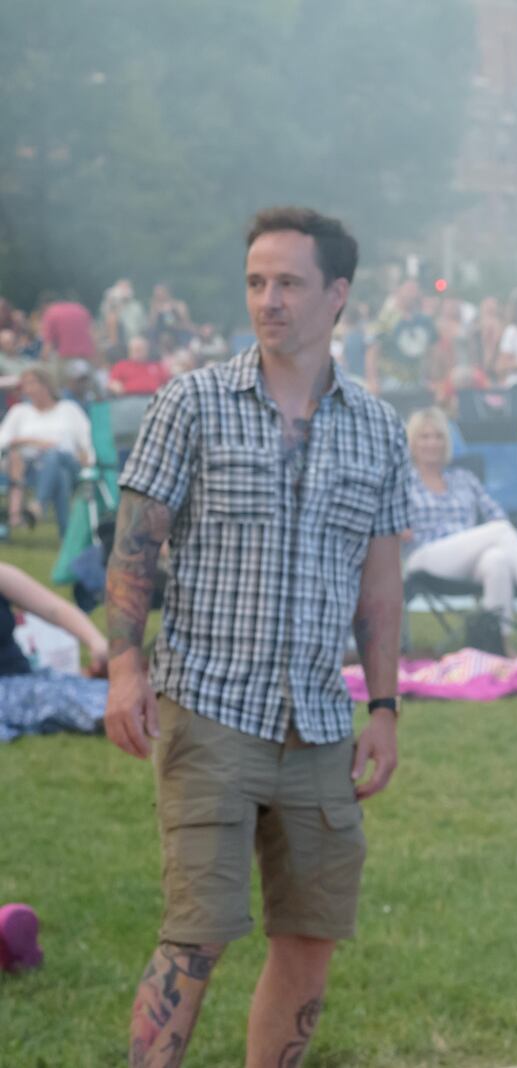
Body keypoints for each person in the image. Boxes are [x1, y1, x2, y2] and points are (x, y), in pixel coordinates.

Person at [103, 206, 410, 1067]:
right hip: (209, 709)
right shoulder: (191, 403)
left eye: (289, 283)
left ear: (337, 294)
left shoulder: (378, 427)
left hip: (318, 722)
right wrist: (125, 668)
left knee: (310, 939)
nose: (268, 300)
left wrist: (383, 706)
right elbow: (134, 546)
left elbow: (380, 585)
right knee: (197, 936)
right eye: (256, 282)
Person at [403, 406, 517, 642]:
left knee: (496, 559)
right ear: (412, 443)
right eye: (424, 437)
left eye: (438, 437)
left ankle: (499, 645)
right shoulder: (403, 481)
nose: (432, 443)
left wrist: (492, 538)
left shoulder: (463, 479)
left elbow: (496, 514)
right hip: (423, 556)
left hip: (465, 558)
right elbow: (394, 527)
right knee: (499, 532)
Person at [0, 560, 108, 742]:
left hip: (25, 679)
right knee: (68, 701)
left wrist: (97, 643)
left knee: (119, 692)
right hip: (12, 693)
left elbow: (55, 609)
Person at [0, 366, 92, 532]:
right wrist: (33, 441)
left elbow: (86, 442)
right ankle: (65, 533)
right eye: (25, 384)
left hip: (71, 464)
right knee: (58, 474)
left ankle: (38, 504)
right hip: (31, 469)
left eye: (32, 383)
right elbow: (3, 441)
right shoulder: (19, 412)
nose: (28, 389)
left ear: (47, 385)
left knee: (53, 456)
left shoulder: (69, 409)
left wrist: (89, 463)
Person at [38, 294, 97, 361]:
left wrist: (42, 361)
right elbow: (93, 336)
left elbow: (48, 344)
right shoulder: (82, 309)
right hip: (86, 357)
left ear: (45, 305)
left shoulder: (51, 312)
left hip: (66, 358)